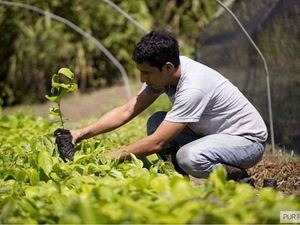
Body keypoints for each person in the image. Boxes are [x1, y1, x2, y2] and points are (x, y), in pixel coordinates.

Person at [70, 30, 268, 182]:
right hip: (214, 134)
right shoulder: (167, 75)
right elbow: (127, 110)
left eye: (146, 73)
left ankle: (237, 177)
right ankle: (180, 185)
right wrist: (81, 133)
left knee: (188, 157)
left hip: (246, 141)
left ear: (168, 67)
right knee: (156, 121)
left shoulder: (193, 87)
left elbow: (158, 142)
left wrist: (107, 158)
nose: (141, 78)